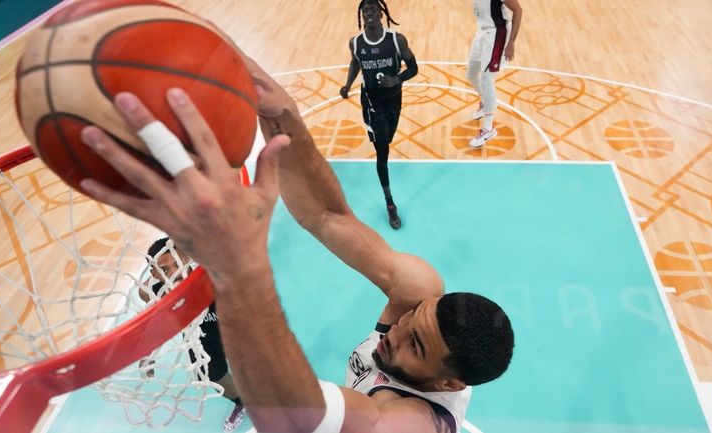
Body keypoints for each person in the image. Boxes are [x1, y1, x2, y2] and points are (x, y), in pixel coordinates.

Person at [78, 39, 514, 433]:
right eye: (409, 322)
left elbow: (287, 416)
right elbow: (327, 216)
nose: (394, 333)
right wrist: (281, 114)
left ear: (448, 383)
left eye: (415, 344)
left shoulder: (410, 423)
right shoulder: (417, 298)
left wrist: (238, 267)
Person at [138, 238, 245, 433]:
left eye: (177, 263)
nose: (175, 272)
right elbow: (152, 320)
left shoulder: (211, 276)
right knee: (215, 378)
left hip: (232, 330)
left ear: (188, 258)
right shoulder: (154, 292)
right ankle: (241, 403)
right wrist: (147, 353)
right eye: (164, 269)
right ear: (154, 273)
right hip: (200, 340)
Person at [339, 0, 418, 230]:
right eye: (365, 10)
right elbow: (356, 64)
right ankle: (390, 203)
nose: (369, 12)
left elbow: (414, 68)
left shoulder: (396, 40)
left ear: (382, 14)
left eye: (373, 9)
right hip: (372, 102)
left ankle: (383, 146)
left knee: (388, 139)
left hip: (394, 99)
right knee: (382, 149)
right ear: (361, 15)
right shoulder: (356, 43)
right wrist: (347, 85)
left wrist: (397, 79)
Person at [466, 0, 523, 148]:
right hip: (481, 32)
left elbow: (518, 10)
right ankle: (485, 102)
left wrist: (511, 43)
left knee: (487, 78)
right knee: (471, 73)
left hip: (497, 34)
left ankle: (488, 128)